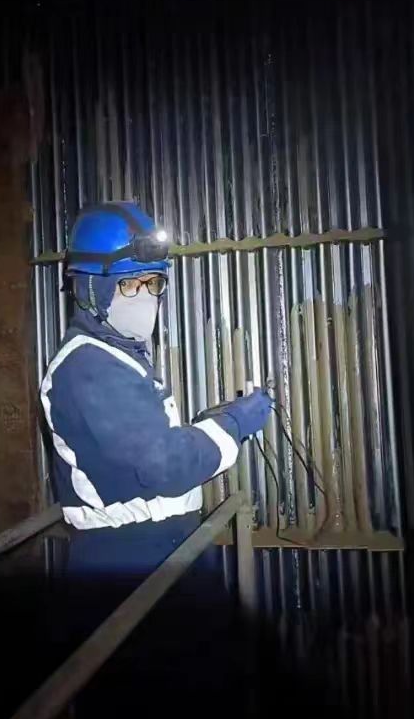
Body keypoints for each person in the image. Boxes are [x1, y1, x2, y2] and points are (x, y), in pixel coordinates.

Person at [39, 201, 274, 577]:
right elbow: (164, 465)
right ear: (90, 289)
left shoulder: (119, 355)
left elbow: (149, 443)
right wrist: (233, 423)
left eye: (153, 283)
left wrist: (210, 423)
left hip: (165, 545)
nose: (147, 297)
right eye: (129, 284)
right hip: (127, 559)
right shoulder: (88, 366)